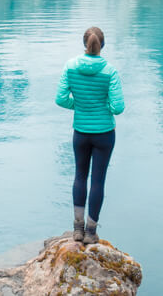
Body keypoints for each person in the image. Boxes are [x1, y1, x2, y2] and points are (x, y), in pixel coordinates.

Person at [55, 26, 125, 245]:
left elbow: (61, 98)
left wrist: (80, 106)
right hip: (104, 134)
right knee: (97, 181)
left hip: (81, 132)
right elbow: (118, 107)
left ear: (84, 44)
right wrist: (101, 106)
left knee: (79, 176)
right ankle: (91, 232)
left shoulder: (71, 67)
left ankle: (77, 229)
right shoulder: (110, 71)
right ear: (102, 45)